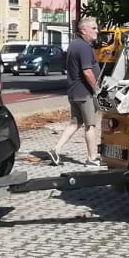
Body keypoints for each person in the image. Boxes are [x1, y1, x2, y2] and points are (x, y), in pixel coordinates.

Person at [50, 15, 101, 165]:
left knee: (74, 123)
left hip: (73, 91)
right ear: (83, 30)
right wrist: (96, 89)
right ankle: (92, 158)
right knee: (90, 125)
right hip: (85, 93)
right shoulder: (84, 47)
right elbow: (87, 71)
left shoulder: (74, 44)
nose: (97, 31)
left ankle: (55, 149)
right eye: (93, 28)